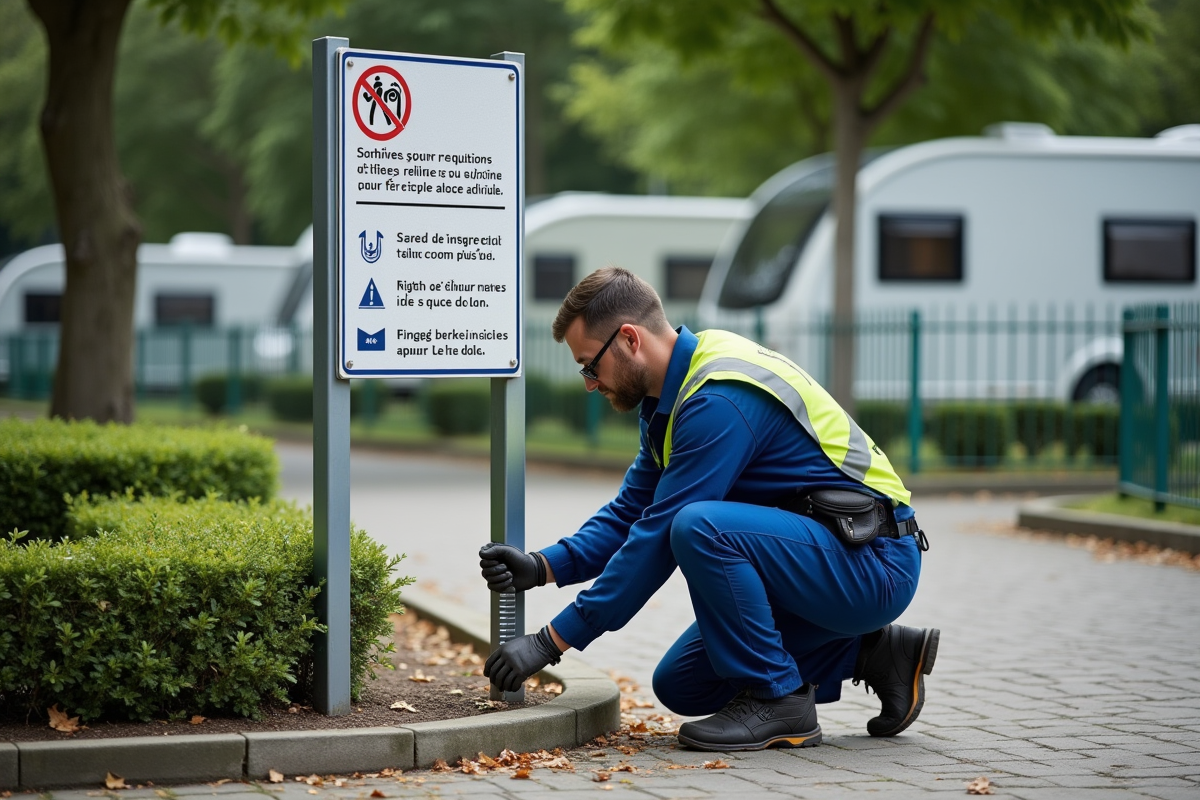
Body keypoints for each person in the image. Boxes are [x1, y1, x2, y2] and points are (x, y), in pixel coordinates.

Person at [479, 267, 938, 752]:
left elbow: (656, 538)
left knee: (699, 527)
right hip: (820, 562)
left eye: (590, 366)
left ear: (629, 339)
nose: (590, 384)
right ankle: (876, 652)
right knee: (683, 683)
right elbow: (632, 511)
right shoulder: (670, 397)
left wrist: (550, 641)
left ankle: (780, 700)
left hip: (873, 562)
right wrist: (543, 566)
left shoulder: (717, 398)